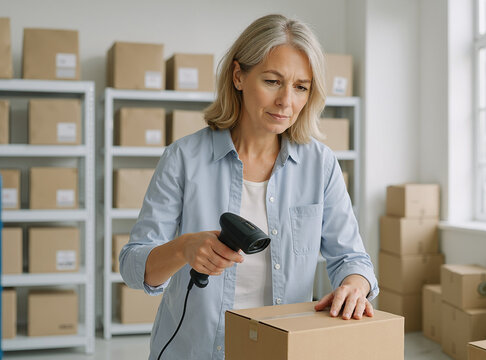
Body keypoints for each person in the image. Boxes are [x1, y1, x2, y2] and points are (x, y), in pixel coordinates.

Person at [120, 13, 379, 360]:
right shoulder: (183, 158)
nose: (286, 101)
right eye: (273, 81)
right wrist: (183, 249)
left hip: (282, 350)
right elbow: (133, 266)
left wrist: (354, 285)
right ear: (239, 75)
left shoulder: (321, 165)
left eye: (301, 87)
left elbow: (352, 257)